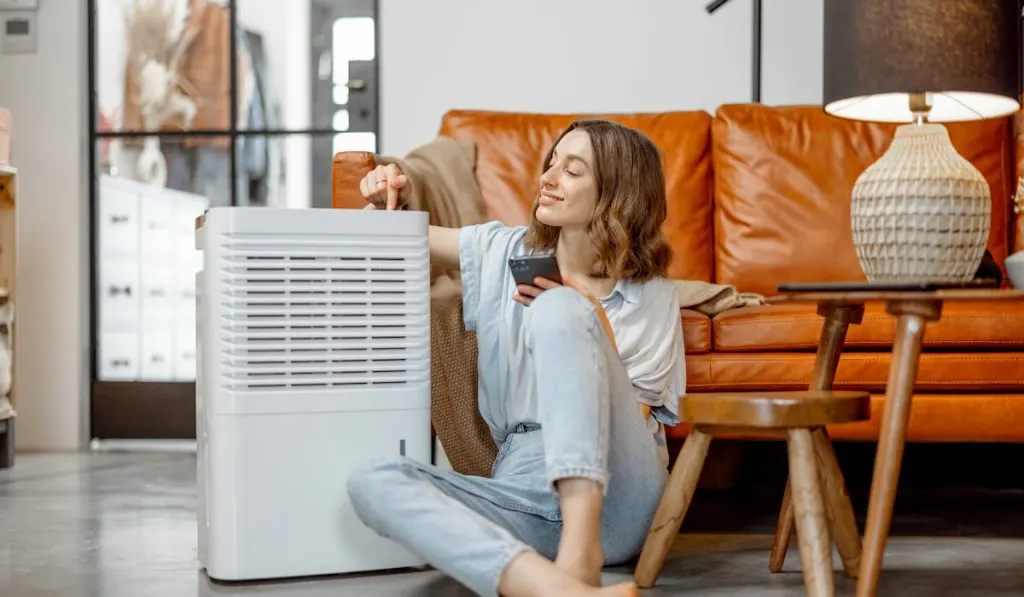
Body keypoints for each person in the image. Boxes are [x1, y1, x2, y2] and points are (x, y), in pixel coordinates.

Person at [347, 119, 686, 597]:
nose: (547, 177)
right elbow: (386, 238)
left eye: (572, 171)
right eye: (552, 163)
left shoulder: (652, 294)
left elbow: (632, 418)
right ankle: (561, 591)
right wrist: (385, 193)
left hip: (619, 494)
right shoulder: (499, 249)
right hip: (523, 488)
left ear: (618, 192)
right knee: (373, 482)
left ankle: (580, 550)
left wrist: (580, 306)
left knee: (559, 306)